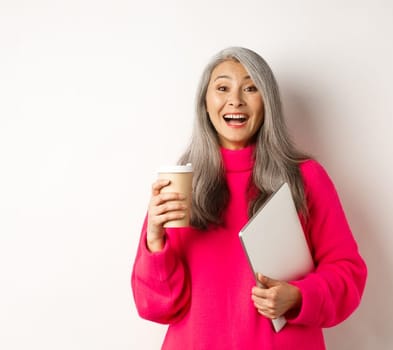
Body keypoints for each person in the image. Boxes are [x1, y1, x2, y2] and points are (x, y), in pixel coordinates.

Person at [131, 47, 367, 349]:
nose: (236, 100)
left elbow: (348, 274)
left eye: (251, 87)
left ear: (267, 102)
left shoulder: (305, 177)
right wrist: (154, 239)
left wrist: (299, 296)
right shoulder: (180, 185)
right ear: (205, 102)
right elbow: (156, 307)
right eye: (222, 88)